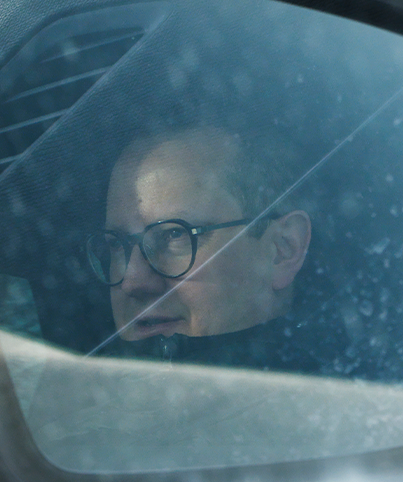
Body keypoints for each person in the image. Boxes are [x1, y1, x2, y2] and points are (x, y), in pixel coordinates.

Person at [85, 125, 347, 374]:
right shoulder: (75, 402)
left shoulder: (347, 400)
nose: (133, 281)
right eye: (116, 245)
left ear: (283, 250)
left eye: (175, 235)